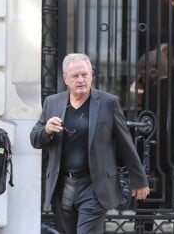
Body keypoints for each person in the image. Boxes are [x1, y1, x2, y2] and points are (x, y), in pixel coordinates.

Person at [30, 53, 150, 234]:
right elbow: (35, 139)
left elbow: (126, 144)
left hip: (95, 186)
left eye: (84, 74)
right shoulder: (52, 103)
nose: (81, 80)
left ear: (91, 75)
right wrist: (46, 130)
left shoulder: (108, 103)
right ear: (65, 79)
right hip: (63, 187)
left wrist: (139, 179)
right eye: (75, 76)